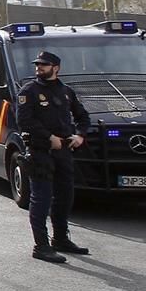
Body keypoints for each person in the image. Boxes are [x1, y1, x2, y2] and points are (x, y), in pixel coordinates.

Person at [15, 50, 93, 264]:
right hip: (41, 153)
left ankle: (60, 239)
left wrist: (80, 135)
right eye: (38, 64)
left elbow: (83, 117)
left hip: (64, 153)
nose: (39, 67)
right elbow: (24, 121)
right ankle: (41, 245)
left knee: (65, 197)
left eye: (44, 64)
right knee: (40, 200)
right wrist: (48, 137)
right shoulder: (29, 91)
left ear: (56, 68)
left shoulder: (66, 91)